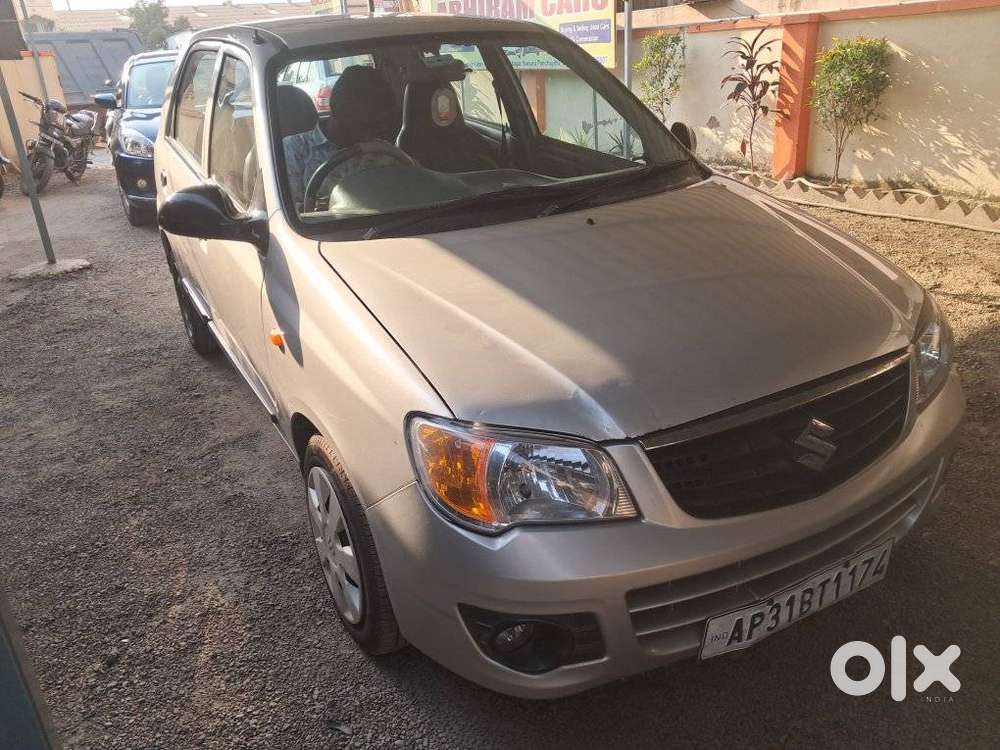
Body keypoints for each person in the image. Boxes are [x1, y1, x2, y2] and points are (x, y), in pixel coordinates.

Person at [283, 65, 402, 209]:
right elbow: (292, 213)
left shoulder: (385, 152)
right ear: (340, 112)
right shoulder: (295, 149)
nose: (378, 129)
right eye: (368, 122)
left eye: (379, 121)